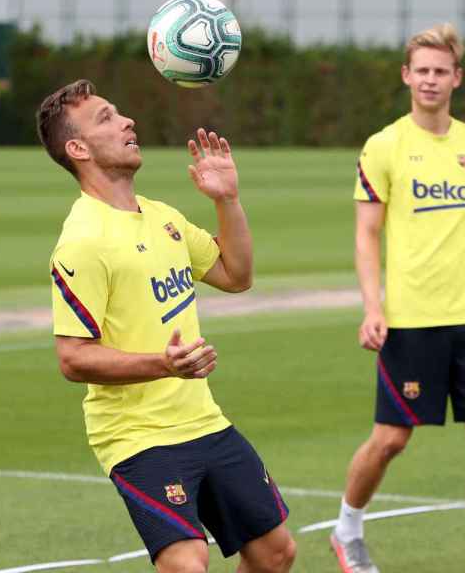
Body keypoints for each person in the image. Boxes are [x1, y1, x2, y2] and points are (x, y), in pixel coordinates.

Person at [38, 80, 296, 573]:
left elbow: (235, 275)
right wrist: (162, 364)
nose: (127, 121)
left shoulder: (163, 218)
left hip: (203, 420)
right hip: (137, 436)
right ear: (78, 148)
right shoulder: (82, 240)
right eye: (107, 118)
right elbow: (72, 358)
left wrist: (228, 200)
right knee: (187, 564)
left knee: (275, 552)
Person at [330, 23, 465, 573]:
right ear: (406, 76)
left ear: (456, 78)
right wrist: (372, 306)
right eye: (422, 70)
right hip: (411, 319)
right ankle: (347, 530)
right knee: (392, 438)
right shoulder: (384, 146)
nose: (431, 80)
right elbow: (367, 234)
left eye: (441, 71)